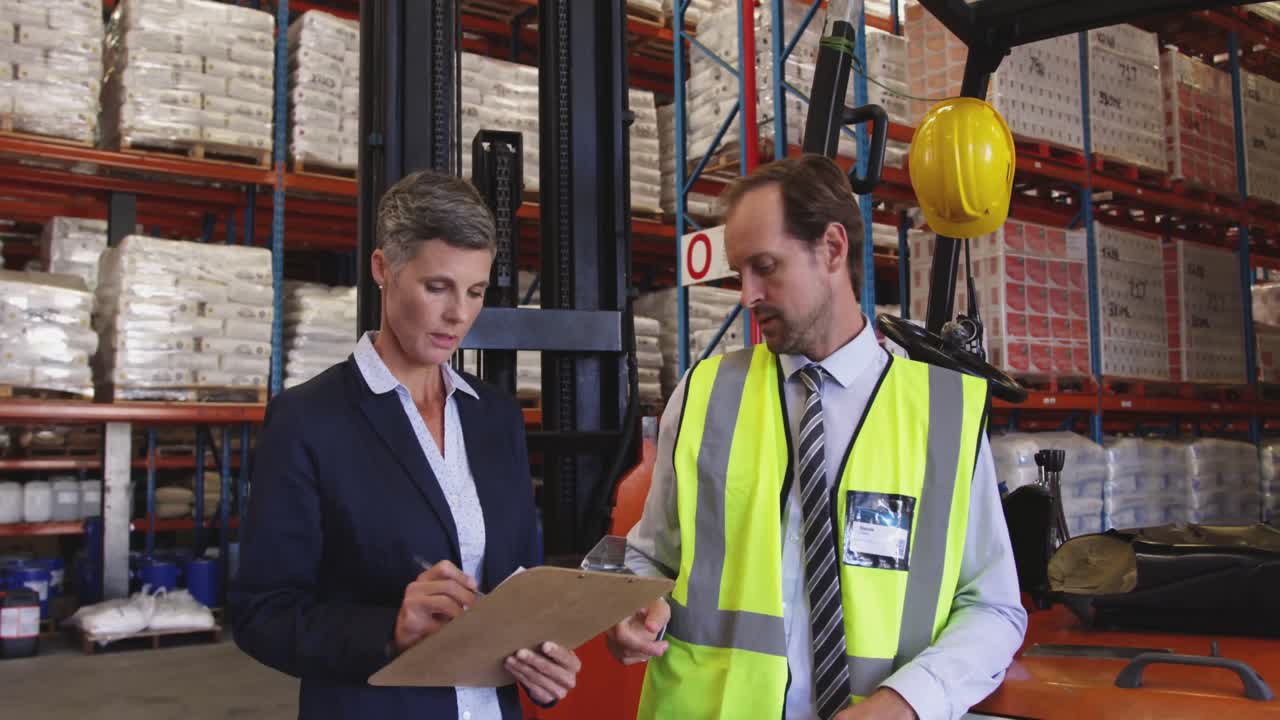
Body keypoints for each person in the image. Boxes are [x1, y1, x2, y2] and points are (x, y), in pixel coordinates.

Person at [607, 154, 1027, 720]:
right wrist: (625, 609)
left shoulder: (944, 415)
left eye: (765, 267)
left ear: (831, 248)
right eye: (739, 273)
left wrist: (908, 702)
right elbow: (648, 558)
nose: (747, 295)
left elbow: (994, 608)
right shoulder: (704, 394)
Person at [231, 170, 581, 719]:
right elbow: (262, 613)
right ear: (382, 269)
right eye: (437, 287)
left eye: (475, 292)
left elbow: (518, 590)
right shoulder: (309, 420)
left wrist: (544, 663)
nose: (458, 314)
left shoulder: (496, 418)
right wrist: (389, 630)